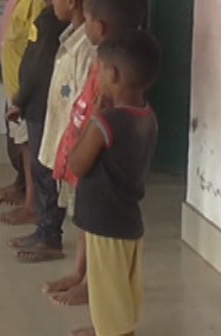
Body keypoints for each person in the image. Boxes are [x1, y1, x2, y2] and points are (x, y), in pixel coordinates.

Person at [46, 0, 147, 308]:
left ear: (99, 26)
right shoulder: (108, 63)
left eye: (87, 19)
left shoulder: (114, 72)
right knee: (85, 221)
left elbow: (99, 123)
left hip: (93, 158)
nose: (84, 25)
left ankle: (92, 284)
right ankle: (81, 273)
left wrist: (80, 148)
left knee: (99, 233)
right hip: (87, 152)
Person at [9, 0, 106, 263]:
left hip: (72, 136)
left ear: (72, 1)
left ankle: (54, 241)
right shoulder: (70, 37)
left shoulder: (87, 48)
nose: (52, 3)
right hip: (59, 130)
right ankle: (46, 234)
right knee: (49, 181)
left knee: (75, 202)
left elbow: (85, 100)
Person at [68, 28, 161, 336]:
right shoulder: (147, 116)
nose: (97, 76)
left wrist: (92, 119)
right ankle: (109, 329)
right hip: (128, 219)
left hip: (104, 221)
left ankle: (112, 332)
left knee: (107, 291)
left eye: (99, 69)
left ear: (114, 74)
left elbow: (77, 163)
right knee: (121, 287)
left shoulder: (105, 122)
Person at [4, 0, 71, 261]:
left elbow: (38, 67)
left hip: (43, 106)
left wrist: (20, 97)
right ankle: (43, 231)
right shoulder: (46, 17)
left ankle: (49, 235)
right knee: (41, 170)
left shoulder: (50, 22)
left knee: (47, 173)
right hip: (36, 105)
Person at [0, 0, 59, 225]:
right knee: (26, 150)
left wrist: (21, 96)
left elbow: (36, 59)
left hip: (30, 95)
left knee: (37, 156)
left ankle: (37, 209)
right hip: (18, 90)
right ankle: (32, 201)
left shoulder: (43, 12)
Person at [0, 0, 50, 208]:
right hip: (12, 70)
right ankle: (23, 186)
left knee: (29, 141)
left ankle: (33, 202)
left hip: (26, 78)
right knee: (17, 139)